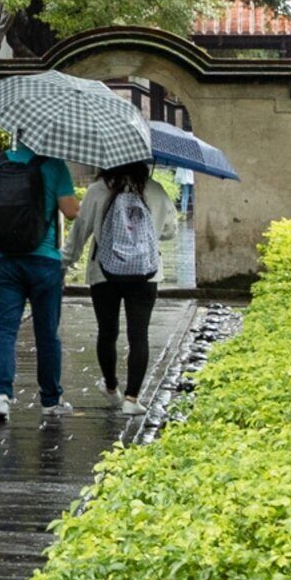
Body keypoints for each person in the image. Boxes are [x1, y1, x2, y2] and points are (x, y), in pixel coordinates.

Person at [0, 138, 81, 424]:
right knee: (47, 332)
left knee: (6, 328)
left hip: (5, 259)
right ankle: (50, 399)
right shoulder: (53, 165)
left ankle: (0, 396)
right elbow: (71, 211)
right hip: (44, 259)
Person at [75, 161, 169, 411]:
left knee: (107, 332)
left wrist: (65, 261)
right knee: (139, 335)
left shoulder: (98, 189)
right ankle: (132, 398)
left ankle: (110, 386)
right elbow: (170, 230)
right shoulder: (156, 190)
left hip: (103, 272)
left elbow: (80, 231)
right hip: (146, 273)